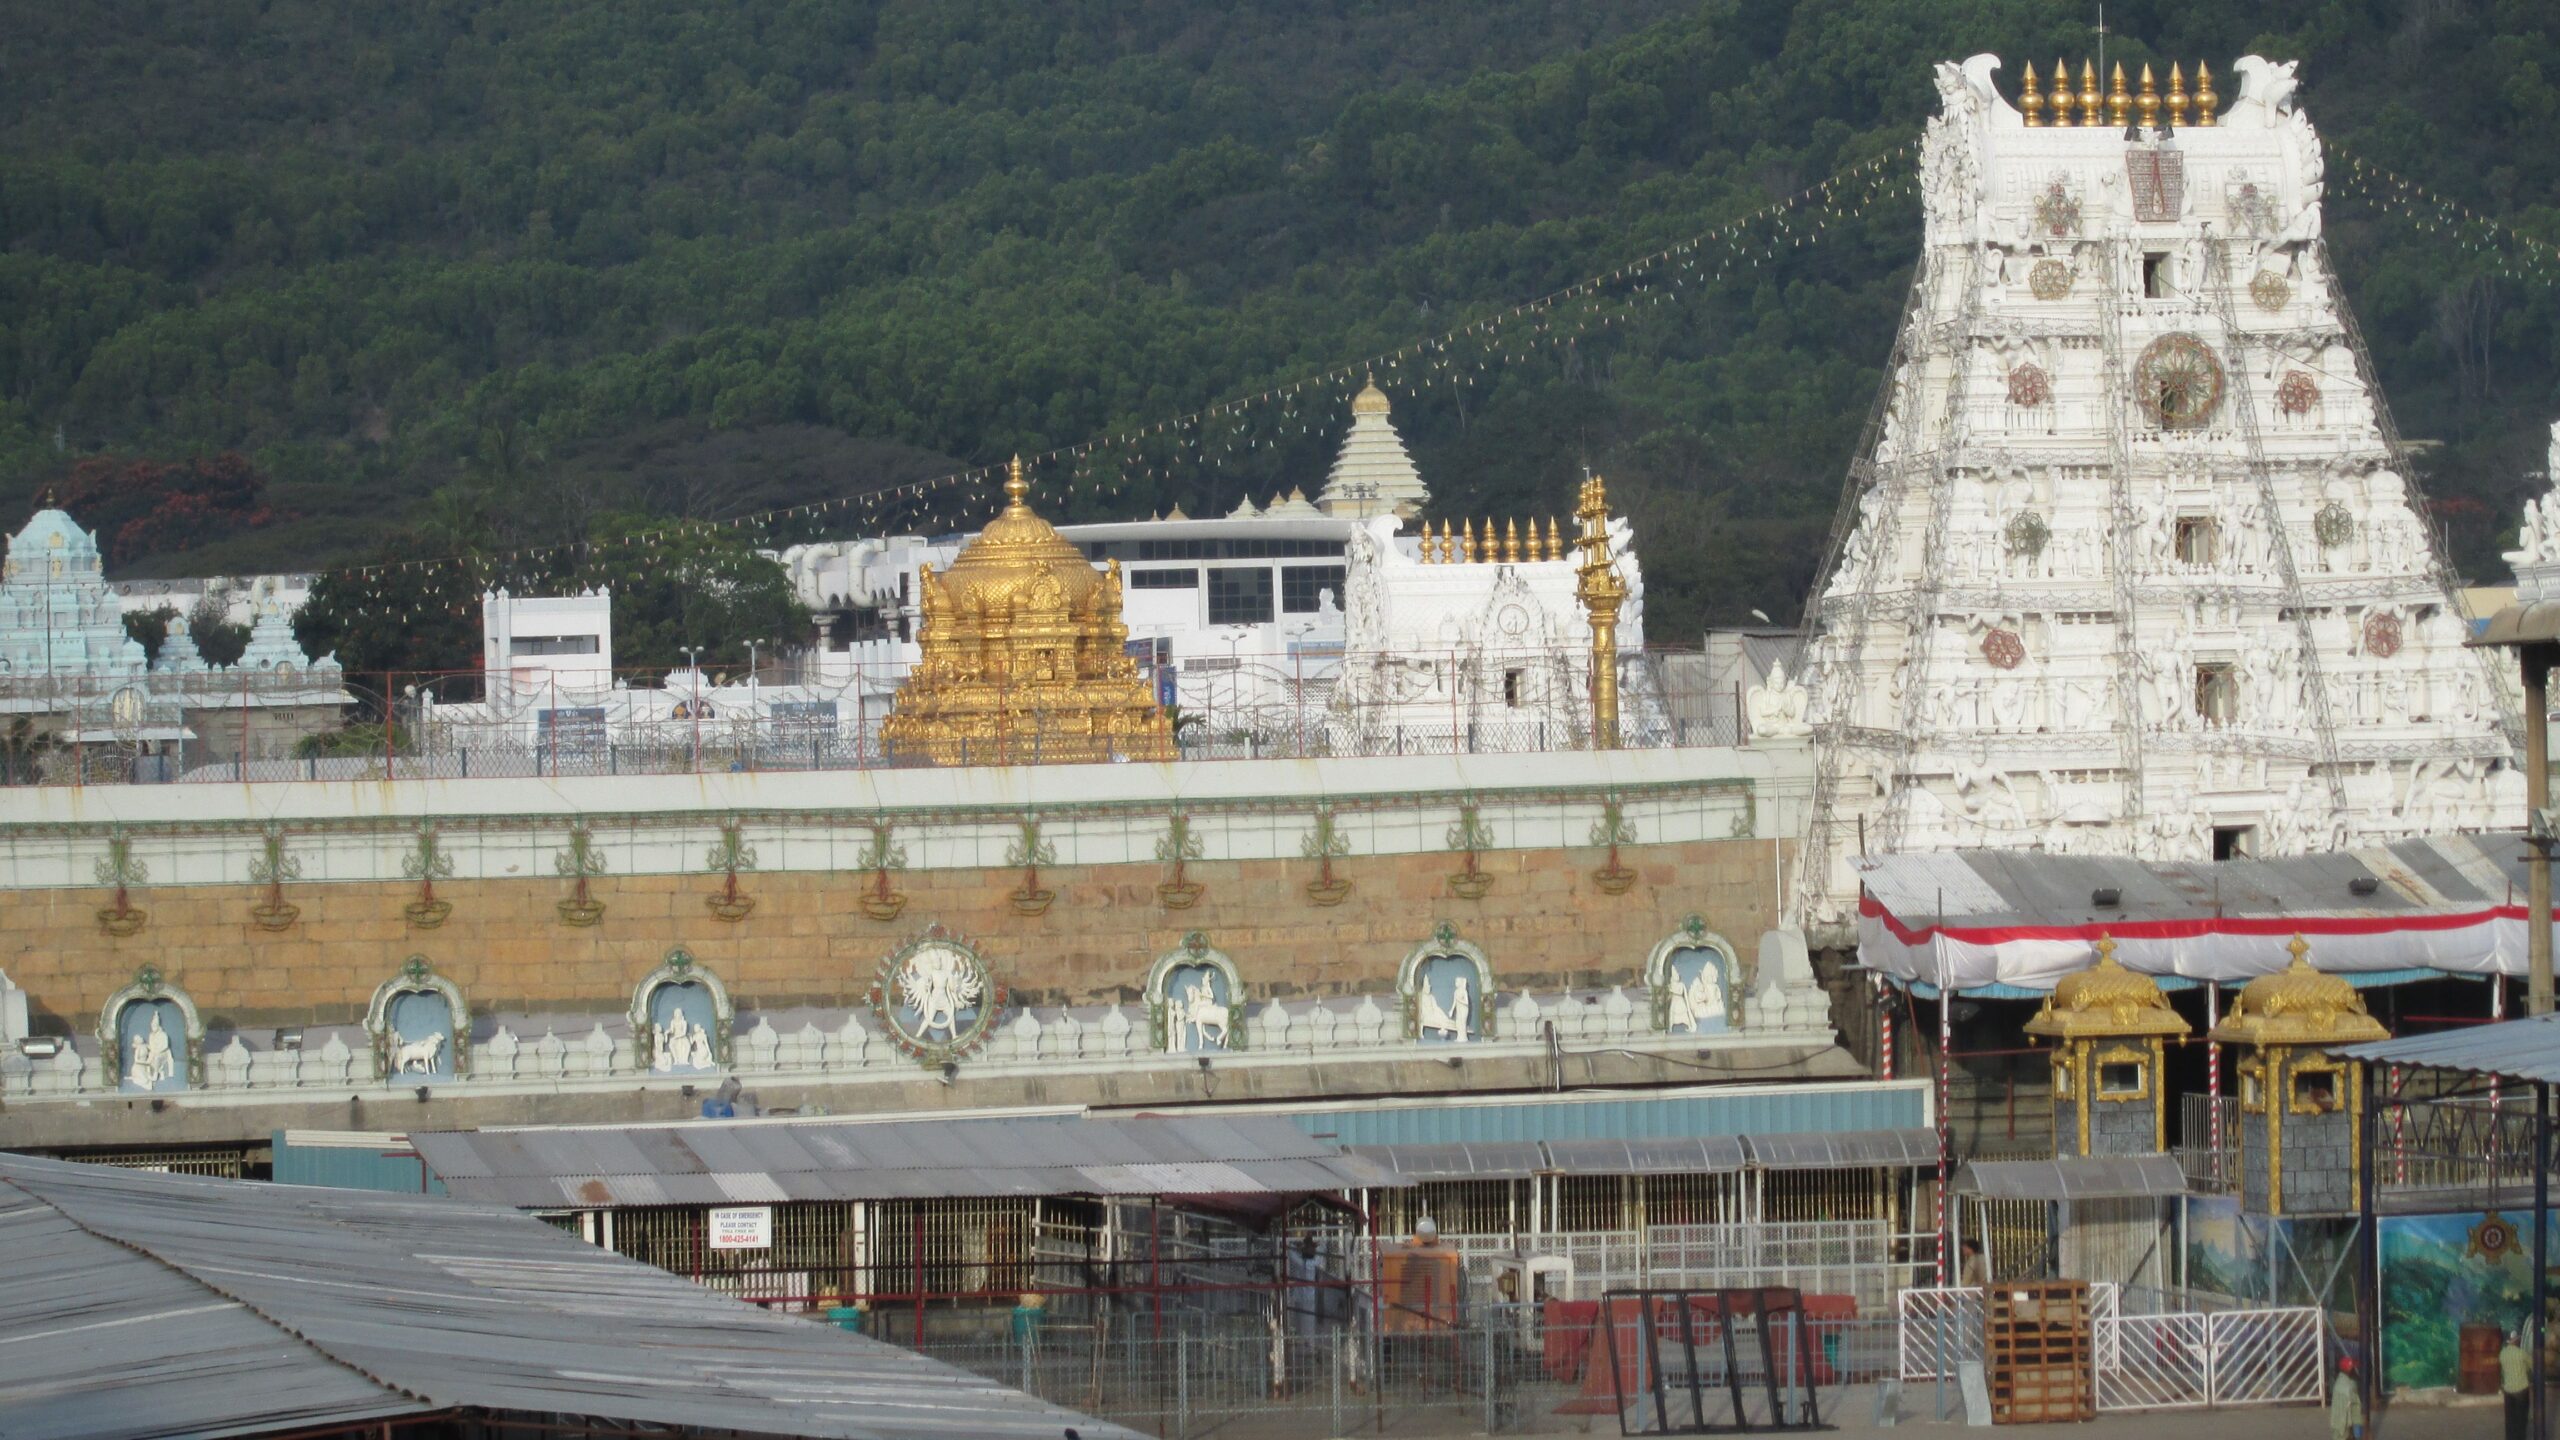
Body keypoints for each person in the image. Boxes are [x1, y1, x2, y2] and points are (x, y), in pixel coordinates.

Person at [2503, 1328, 2531, 1440]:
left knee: (2510, 1418)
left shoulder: (2503, 1354)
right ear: (2516, 1341)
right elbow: (2532, 1366)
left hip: (2508, 1390)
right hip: (2521, 1391)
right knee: (2521, 1418)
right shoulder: (2522, 1354)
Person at [2330, 1355, 2363, 1440]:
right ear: (2348, 1370)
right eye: (2353, 1368)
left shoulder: (2342, 1382)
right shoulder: (2347, 1385)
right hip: (2346, 1421)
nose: (2355, 1370)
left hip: (2344, 1420)